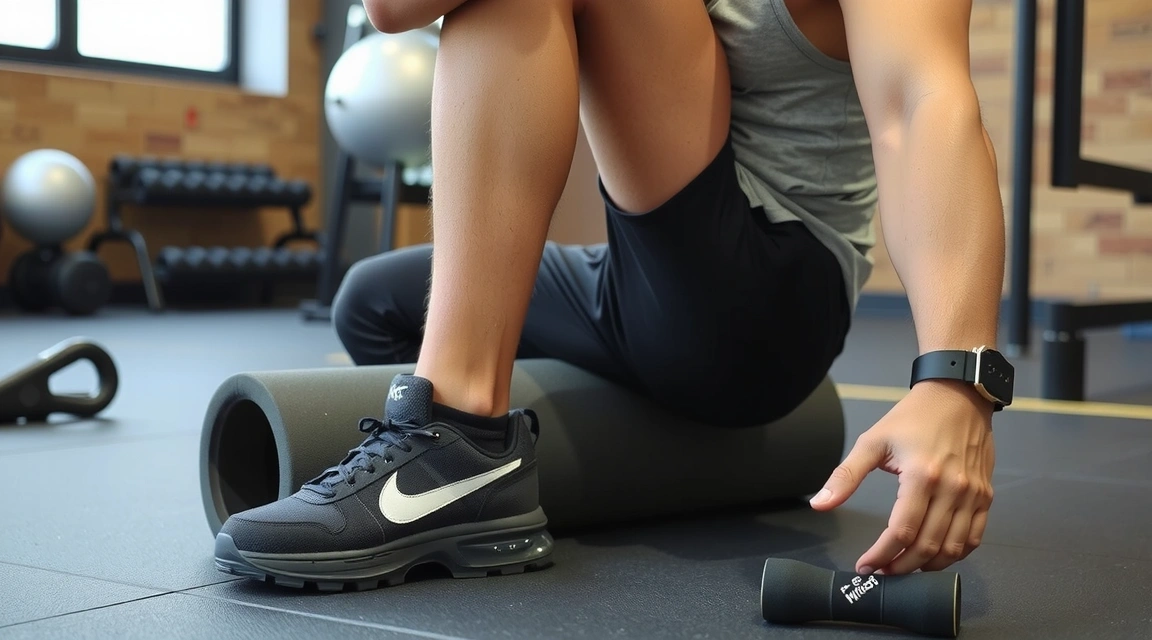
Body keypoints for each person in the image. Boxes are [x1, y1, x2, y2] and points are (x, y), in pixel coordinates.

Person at [214, 0, 1006, 588]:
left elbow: (919, 103)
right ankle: (488, 476)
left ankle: (459, 433)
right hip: (650, 276)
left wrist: (957, 377)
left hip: (767, 292)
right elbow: (396, 10)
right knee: (375, 301)